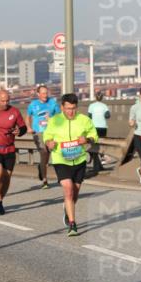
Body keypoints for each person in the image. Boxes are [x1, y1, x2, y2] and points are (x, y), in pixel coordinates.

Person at [44, 93, 98, 236]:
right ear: (62, 107)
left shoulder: (84, 120)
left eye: (73, 108)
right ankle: (73, 224)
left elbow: (94, 135)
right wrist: (49, 143)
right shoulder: (55, 120)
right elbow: (47, 136)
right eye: (68, 108)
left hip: (79, 160)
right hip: (61, 160)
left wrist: (86, 139)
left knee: (75, 192)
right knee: (68, 189)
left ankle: (68, 210)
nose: (71, 112)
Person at [27, 85, 61, 189]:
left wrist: (52, 118)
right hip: (39, 133)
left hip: (51, 132)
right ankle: (45, 181)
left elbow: (60, 117)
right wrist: (29, 127)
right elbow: (28, 116)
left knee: (52, 155)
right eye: (42, 93)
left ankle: (46, 169)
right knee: (44, 153)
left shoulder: (52, 103)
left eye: (46, 93)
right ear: (38, 94)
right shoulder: (33, 105)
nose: (45, 95)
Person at [87, 92, 110, 173]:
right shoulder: (104, 106)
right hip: (103, 127)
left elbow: (89, 117)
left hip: (94, 127)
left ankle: (96, 162)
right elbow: (108, 116)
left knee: (94, 144)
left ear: (95, 97)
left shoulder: (91, 106)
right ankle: (102, 158)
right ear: (102, 97)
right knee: (102, 144)